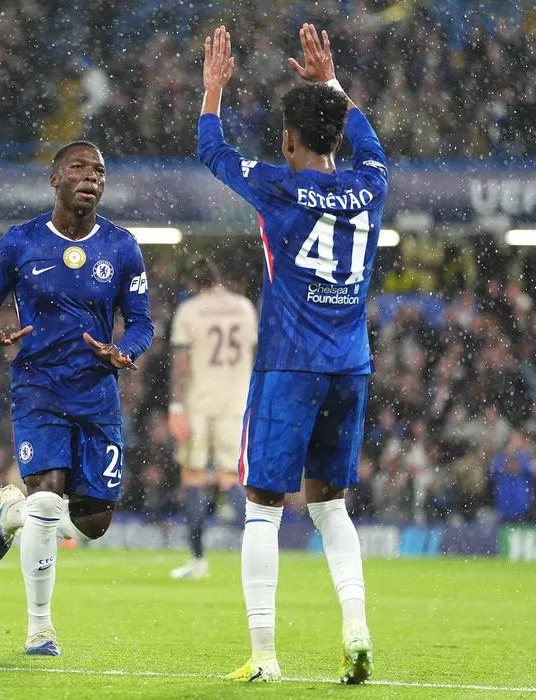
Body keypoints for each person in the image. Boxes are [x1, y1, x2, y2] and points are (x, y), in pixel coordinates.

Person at [198, 25, 388, 683]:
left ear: (287, 140)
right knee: (331, 506)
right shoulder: (371, 185)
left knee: (262, 506)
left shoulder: (276, 187)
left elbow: (212, 149)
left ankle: (264, 655)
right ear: (337, 136)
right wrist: (330, 82)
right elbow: (369, 141)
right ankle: (356, 628)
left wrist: (213, 89)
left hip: (288, 365)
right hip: (350, 367)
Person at [0, 141, 153, 656]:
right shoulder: (19, 242)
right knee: (47, 500)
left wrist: (125, 350)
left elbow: (142, 322)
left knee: (94, 524)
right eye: (79, 168)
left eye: (100, 171)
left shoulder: (121, 246)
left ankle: (12, 515)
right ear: (55, 179)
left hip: (96, 394)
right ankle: (40, 628)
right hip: (39, 387)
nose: (92, 177)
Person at [167, 256, 257, 580]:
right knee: (231, 478)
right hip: (236, 403)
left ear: (192, 283)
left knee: (193, 477)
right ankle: (257, 557)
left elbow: (181, 364)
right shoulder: (244, 308)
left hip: (199, 403)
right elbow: (254, 355)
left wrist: (176, 408)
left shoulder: (189, 311)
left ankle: (198, 561)